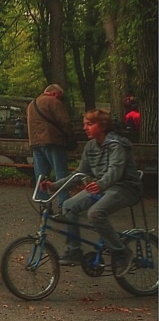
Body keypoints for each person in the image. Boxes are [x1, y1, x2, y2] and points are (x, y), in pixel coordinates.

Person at [45, 109, 143, 273]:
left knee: (95, 213)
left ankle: (122, 253)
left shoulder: (116, 145)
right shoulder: (90, 146)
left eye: (90, 124)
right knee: (68, 205)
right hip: (103, 187)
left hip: (125, 187)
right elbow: (79, 173)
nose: (85, 128)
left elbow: (115, 171)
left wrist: (100, 185)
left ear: (103, 126)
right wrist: (54, 185)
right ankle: (74, 251)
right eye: (84, 124)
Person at [27, 84, 73, 209]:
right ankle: (63, 204)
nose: (59, 99)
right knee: (61, 174)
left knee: (41, 176)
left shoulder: (32, 104)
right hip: (53, 141)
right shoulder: (53, 101)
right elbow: (65, 121)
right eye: (59, 96)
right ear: (54, 93)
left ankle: (44, 205)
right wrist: (70, 136)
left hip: (35, 143)